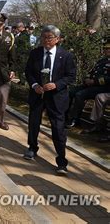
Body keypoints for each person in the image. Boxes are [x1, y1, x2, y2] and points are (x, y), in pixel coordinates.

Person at [23, 25, 76, 175]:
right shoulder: (35, 53)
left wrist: (56, 84)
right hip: (38, 95)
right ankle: (32, 148)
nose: (46, 40)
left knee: (58, 129)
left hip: (56, 97)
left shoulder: (66, 56)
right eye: (44, 37)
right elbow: (28, 72)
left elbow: (71, 76)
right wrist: (34, 85)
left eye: (50, 37)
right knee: (34, 123)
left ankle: (61, 161)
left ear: (57, 39)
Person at [66, 40, 110, 128]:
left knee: (80, 95)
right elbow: (91, 72)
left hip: (103, 88)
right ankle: (65, 116)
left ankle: (75, 119)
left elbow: (109, 79)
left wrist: (95, 82)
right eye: (105, 48)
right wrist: (87, 79)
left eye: (108, 49)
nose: (105, 50)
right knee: (70, 92)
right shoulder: (101, 61)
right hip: (90, 85)